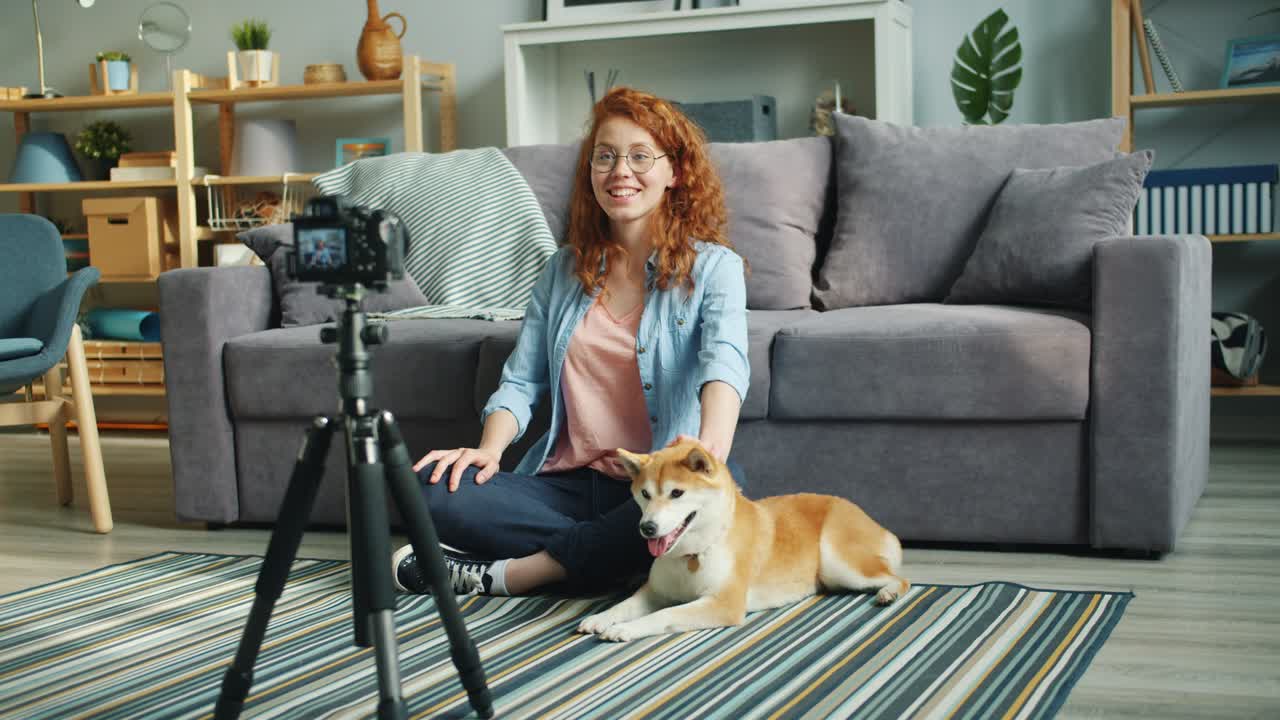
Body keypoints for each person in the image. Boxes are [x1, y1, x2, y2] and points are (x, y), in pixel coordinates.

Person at [392, 86, 750, 597]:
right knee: (433, 490)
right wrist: (488, 449)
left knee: (724, 485)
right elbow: (522, 379)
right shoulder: (562, 271)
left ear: (676, 172)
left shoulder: (716, 268)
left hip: (655, 490)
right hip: (564, 486)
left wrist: (709, 447)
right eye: (605, 156)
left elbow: (725, 364)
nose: (620, 171)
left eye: (640, 156)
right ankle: (624, 559)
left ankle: (513, 575)